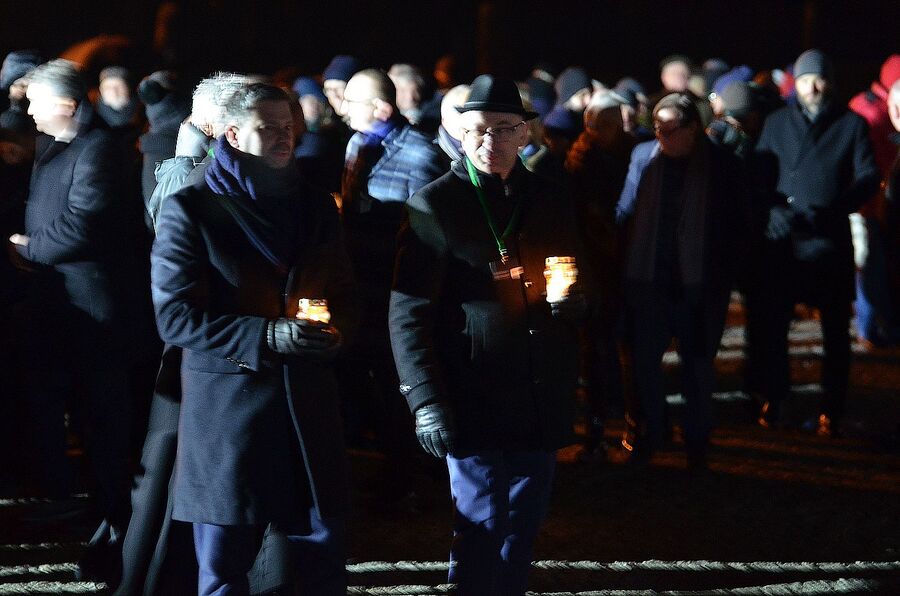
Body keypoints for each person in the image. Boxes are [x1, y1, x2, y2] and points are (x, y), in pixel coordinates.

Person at [151, 83, 356, 595]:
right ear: (233, 134)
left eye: (288, 127)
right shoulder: (192, 207)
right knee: (224, 566)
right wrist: (266, 335)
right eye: (269, 128)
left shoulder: (316, 204)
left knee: (318, 563)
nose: (284, 137)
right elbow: (174, 317)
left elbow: (344, 291)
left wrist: (336, 333)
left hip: (306, 409)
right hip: (231, 411)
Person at [389, 74, 590, 595]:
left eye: (502, 128)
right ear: (459, 132)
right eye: (477, 128)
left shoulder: (550, 197)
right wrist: (424, 399)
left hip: (538, 386)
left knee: (524, 523)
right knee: (480, 522)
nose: (488, 140)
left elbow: (577, 271)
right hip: (472, 390)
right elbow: (408, 313)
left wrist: (576, 302)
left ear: (524, 133)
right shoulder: (434, 204)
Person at [9, 58, 150, 582]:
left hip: (96, 310)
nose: (29, 112)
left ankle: (117, 516)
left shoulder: (99, 149)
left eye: (36, 103)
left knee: (105, 416)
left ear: (66, 104)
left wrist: (30, 248)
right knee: (74, 411)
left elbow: (86, 222)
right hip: (60, 307)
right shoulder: (57, 146)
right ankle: (89, 503)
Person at [616, 92, 748, 468]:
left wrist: (721, 274)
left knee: (698, 367)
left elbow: (738, 225)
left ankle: (696, 443)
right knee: (644, 364)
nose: (661, 135)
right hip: (649, 280)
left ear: (693, 129)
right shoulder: (644, 157)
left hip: (698, 286)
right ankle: (651, 433)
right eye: (656, 127)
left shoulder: (721, 165)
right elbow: (626, 209)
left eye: (670, 129)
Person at [754, 49, 880, 436]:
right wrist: (771, 211)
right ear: (798, 83)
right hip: (785, 243)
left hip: (829, 243)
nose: (813, 87)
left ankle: (832, 407)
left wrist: (836, 208)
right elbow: (758, 175)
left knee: (835, 333)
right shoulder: (776, 123)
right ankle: (776, 398)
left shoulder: (850, 124)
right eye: (807, 79)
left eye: (820, 79)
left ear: (830, 82)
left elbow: (867, 176)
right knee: (774, 327)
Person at [336, 68, 443, 501]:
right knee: (365, 382)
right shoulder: (357, 144)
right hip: (358, 286)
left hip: (395, 289)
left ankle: (408, 477)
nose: (343, 110)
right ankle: (391, 469)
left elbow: (428, 233)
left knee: (394, 382)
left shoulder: (421, 154)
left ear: (382, 108)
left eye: (352, 102)